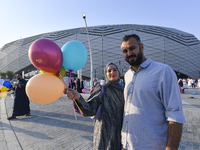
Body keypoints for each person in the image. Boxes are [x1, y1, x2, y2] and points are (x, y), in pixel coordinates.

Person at [120, 34, 186, 150]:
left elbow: (175, 114)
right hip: (127, 145)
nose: (129, 53)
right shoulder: (127, 75)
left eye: (132, 48)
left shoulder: (163, 72)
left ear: (142, 46)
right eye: (125, 51)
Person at [65, 63, 124, 150]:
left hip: (120, 134)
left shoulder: (124, 90)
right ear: (106, 74)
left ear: (118, 72)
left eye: (115, 70)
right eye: (109, 71)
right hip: (104, 135)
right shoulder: (101, 88)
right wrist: (79, 98)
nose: (112, 72)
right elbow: (90, 109)